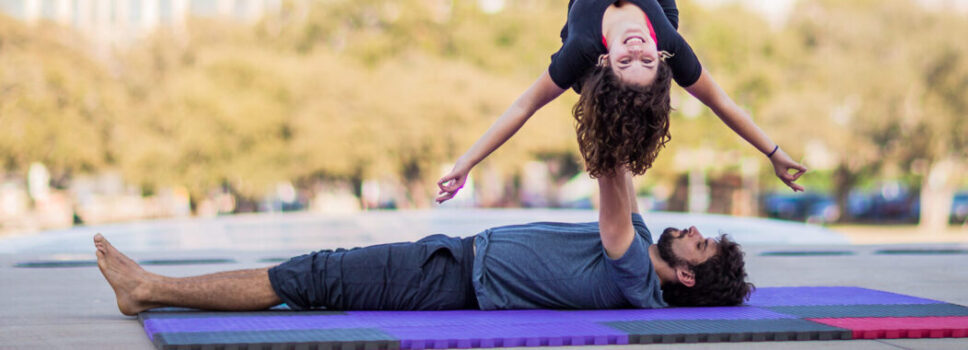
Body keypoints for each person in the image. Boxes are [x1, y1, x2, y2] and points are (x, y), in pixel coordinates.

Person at [95, 166, 752, 315]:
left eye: (701, 245)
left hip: (446, 279)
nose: (693, 230)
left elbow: (613, 192)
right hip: (453, 257)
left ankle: (148, 289)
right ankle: (151, 287)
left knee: (312, 276)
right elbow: (623, 191)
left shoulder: (637, 279)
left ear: (687, 277)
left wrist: (612, 89)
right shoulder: (642, 238)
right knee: (315, 272)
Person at [436, 0, 807, 203]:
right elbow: (722, 102)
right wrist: (773, 152)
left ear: (605, 59)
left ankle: (617, 180)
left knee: (609, 150)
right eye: (645, 60)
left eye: (625, 61)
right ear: (658, 58)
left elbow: (523, 107)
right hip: (659, 5)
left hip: (585, 39)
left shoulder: (581, 50)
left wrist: (467, 161)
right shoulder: (666, 43)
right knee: (617, 143)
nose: (636, 48)